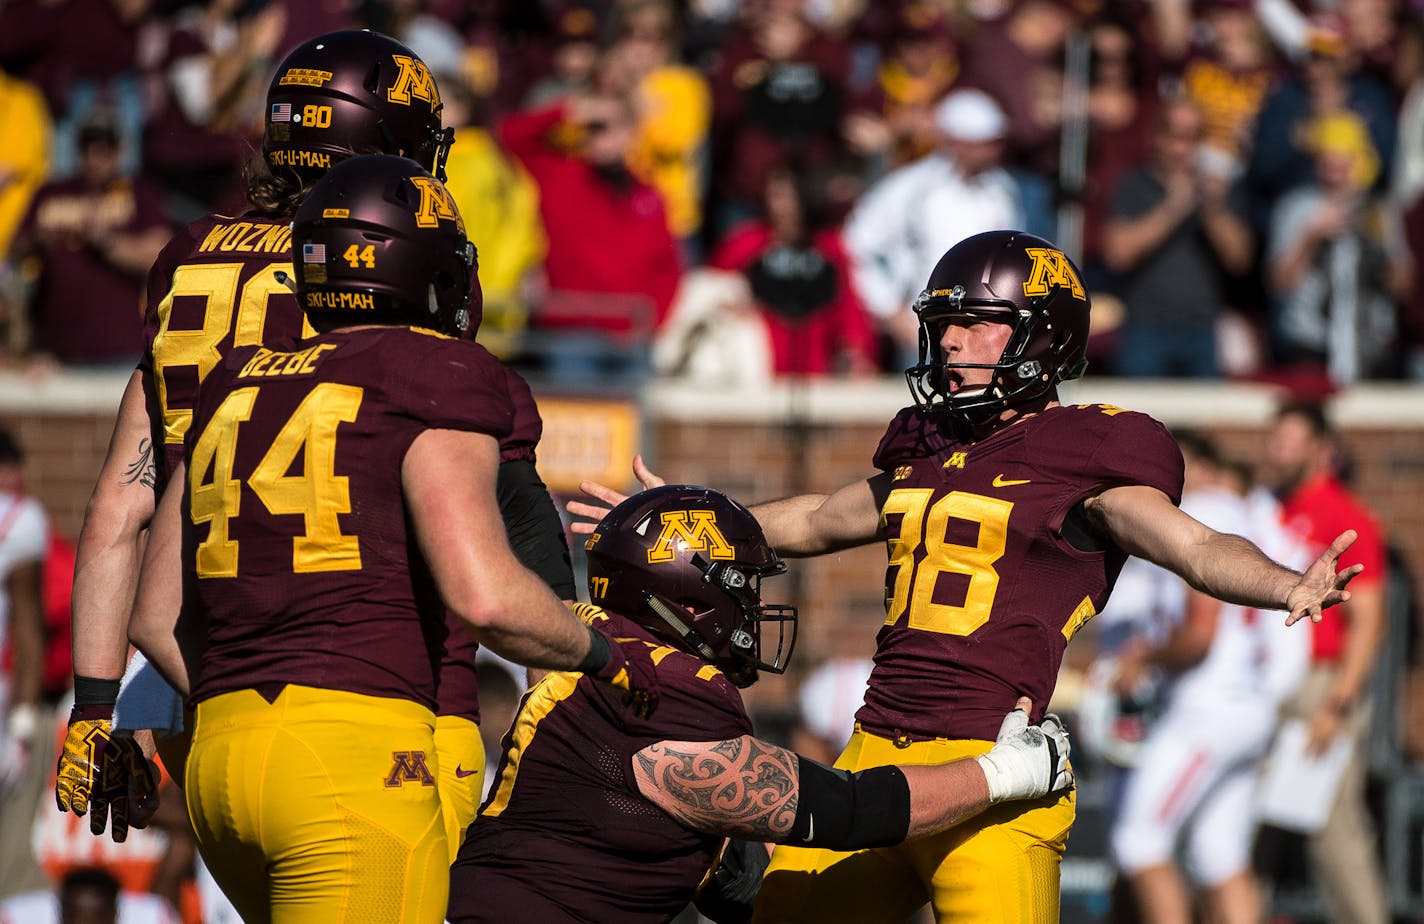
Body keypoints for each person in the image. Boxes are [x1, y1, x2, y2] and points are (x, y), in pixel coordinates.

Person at [571, 229, 1363, 922]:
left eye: (973, 324)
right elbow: (815, 520)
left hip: (995, 773)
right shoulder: (925, 442)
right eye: (942, 324)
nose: (947, 342)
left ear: (1041, 337)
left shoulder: (1088, 452)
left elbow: (1193, 546)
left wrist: (1285, 582)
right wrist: (683, 516)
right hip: (873, 757)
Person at [125, 153, 654, 922]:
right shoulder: (429, 366)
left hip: (223, 761)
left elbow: (152, 618)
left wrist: (254, 701)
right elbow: (486, 596)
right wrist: (603, 652)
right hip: (356, 762)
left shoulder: (232, 381)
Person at [57, 28, 458, 843]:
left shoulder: (186, 255)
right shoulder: (364, 262)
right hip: (318, 636)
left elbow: (121, 505)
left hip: (183, 640)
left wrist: (95, 708)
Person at [449, 484, 1073, 924]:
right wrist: (1005, 773)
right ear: (693, 599)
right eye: (742, 585)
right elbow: (849, 810)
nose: (752, 605)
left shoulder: (589, 642)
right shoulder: (674, 700)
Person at [1109, 433, 1309, 924]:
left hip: (1208, 707)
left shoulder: (1204, 511)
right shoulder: (1249, 512)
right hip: (1250, 702)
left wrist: (1143, 658)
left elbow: (1200, 635)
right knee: (1219, 855)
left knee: (1138, 841)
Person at [1261, 399, 1390, 924]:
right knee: (1245, 829)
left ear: (1320, 449)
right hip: (1265, 684)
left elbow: (1371, 621)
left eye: (1292, 441)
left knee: (1334, 829)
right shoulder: (1265, 511)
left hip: (1321, 684)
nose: (1279, 451)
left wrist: (1337, 705)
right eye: (1276, 438)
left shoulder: (1348, 519)